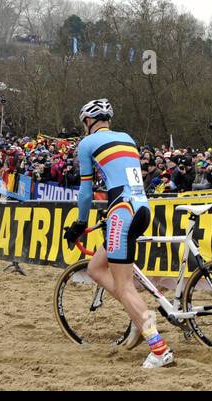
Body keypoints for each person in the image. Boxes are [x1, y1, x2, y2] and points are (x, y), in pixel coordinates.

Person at [62, 99, 172, 369]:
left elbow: (86, 191)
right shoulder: (127, 138)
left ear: (88, 121)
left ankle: (159, 349)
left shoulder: (87, 144)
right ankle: (139, 319)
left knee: (124, 287)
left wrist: (79, 222)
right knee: (96, 267)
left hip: (121, 211)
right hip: (141, 208)